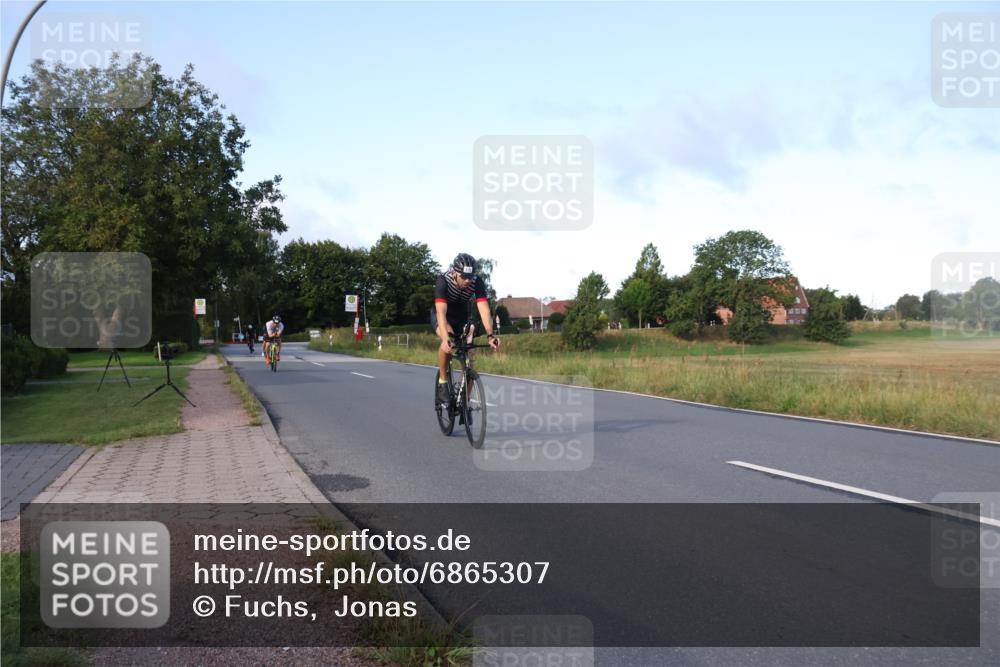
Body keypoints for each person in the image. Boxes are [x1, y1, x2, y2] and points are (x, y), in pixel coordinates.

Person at [434, 253, 500, 405]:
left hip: (462, 316)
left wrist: (490, 336)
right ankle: (443, 381)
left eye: (470, 276)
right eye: (464, 277)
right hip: (444, 316)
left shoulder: (476, 282)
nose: (468, 280)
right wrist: (445, 339)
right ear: (455, 272)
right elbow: (441, 313)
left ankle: (465, 400)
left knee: (470, 356)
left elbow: (484, 310)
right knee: (448, 341)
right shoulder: (443, 280)